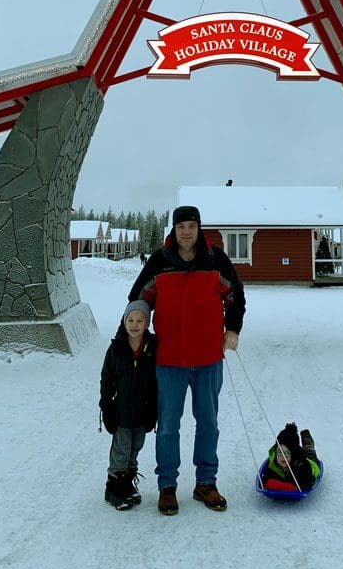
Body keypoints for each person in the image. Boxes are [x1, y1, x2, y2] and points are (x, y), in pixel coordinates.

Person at [126, 205, 245, 515]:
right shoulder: (160, 262)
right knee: (167, 426)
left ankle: (206, 482)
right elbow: (137, 298)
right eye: (181, 226)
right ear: (174, 230)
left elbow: (235, 296)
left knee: (208, 423)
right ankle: (167, 486)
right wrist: (134, 333)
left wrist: (232, 328)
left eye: (191, 226)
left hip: (208, 358)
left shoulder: (216, 260)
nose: (186, 232)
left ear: (199, 228)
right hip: (169, 360)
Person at [99, 299, 158, 511]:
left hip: (142, 411)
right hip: (121, 411)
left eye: (139, 320)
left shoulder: (152, 348)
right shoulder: (116, 348)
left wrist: (154, 410)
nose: (134, 325)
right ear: (124, 322)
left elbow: (156, 383)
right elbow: (106, 379)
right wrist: (106, 407)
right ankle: (113, 488)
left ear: (146, 323)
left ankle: (127, 484)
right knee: (121, 450)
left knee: (135, 447)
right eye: (130, 320)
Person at [260, 423, 320, 492]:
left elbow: (306, 485)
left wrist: (289, 487)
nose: (283, 457)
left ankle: (307, 442)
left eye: (287, 453)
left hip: (312, 467)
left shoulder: (303, 465)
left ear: (294, 453)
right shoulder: (273, 464)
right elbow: (264, 482)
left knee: (309, 452)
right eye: (280, 452)